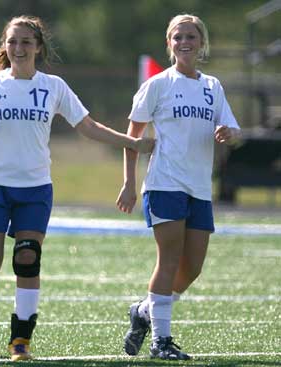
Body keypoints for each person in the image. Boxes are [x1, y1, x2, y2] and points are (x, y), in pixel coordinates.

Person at [0, 15, 155, 362]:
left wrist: (131, 142)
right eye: (12, 41)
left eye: (25, 42)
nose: (18, 48)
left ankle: (21, 341)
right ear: (4, 46)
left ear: (38, 47)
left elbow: (88, 125)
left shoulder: (53, 86)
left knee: (27, 258)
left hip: (35, 188)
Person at [116, 14, 241, 361]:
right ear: (169, 44)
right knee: (169, 260)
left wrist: (229, 133)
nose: (184, 42)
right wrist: (128, 183)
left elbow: (233, 129)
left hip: (199, 188)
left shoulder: (212, 86)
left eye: (191, 37)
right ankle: (161, 341)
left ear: (201, 43)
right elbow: (132, 137)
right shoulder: (158, 84)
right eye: (177, 37)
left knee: (193, 267)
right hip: (164, 184)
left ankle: (143, 311)